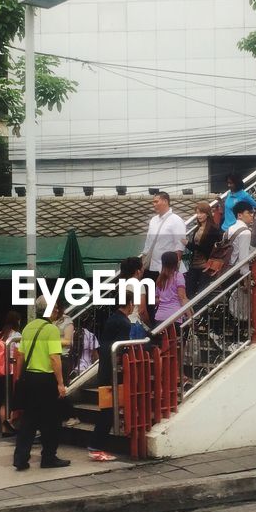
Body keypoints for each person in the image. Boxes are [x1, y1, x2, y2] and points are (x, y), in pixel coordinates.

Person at [11, 296, 70, 471]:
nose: (57, 311)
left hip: (29, 378)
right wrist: (60, 383)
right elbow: (54, 358)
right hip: (46, 380)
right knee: (52, 421)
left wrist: (21, 377)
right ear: (48, 310)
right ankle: (49, 457)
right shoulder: (51, 330)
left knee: (28, 420)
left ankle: (20, 458)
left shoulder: (28, 327)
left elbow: (20, 356)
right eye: (54, 309)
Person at [90, 291, 133, 459]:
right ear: (129, 303)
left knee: (108, 409)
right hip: (112, 372)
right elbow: (122, 347)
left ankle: (96, 444)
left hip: (105, 368)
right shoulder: (124, 322)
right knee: (107, 410)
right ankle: (96, 446)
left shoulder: (112, 318)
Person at [141, 192, 187, 276]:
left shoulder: (176, 220)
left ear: (165, 201)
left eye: (156, 201)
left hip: (167, 268)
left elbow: (179, 246)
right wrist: (143, 264)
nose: (153, 204)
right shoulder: (153, 220)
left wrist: (174, 269)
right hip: (150, 266)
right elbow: (148, 243)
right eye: (153, 202)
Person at [185, 200, 223, 297]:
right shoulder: (197, 229)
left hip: (206, 266)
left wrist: (188, 244)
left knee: (202, 294)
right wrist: (188, 245)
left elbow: (207, 249)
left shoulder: (213, 229)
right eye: (197, 213)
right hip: (194, 265)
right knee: (189, 292)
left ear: (207, 214)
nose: (199, 215)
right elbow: (195, 248)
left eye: (201, 213)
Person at [152, 252, 188, 332]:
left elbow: (156, 300)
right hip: (174, 316)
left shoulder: (160, 278)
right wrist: (190, 316)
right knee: (175, 343)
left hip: (160, 317)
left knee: (164, 343)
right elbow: (182, 297)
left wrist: (164, 299)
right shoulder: (178, 276)